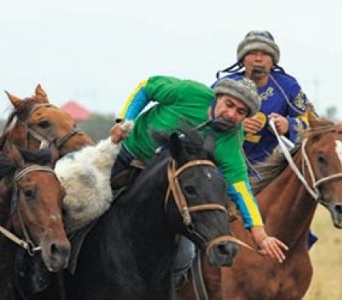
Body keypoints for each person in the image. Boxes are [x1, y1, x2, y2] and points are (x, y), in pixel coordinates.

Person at [109, 76, 289, 289]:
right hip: (125, 156)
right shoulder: (189, 93)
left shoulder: (231, 142)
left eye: (241, 112)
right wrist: (124, 121)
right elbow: (146, 88)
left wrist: (261, 236)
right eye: (229, 104)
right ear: (218, 97)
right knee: (78, 199)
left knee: (185, 254)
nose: (231, 114)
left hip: (167, 190)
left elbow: (241, 189)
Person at [215, 30, 318, 248]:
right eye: (252, 53)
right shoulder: (225, 85)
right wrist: (235, 124)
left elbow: (313, 123)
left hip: (271, 172)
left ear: (273, 60)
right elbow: (205, 117)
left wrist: (288, 125)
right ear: (243, 58)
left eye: (264, 54)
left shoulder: (287, 86)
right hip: (227, 167)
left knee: (294, 211)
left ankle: (297, 252)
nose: (258, 58)